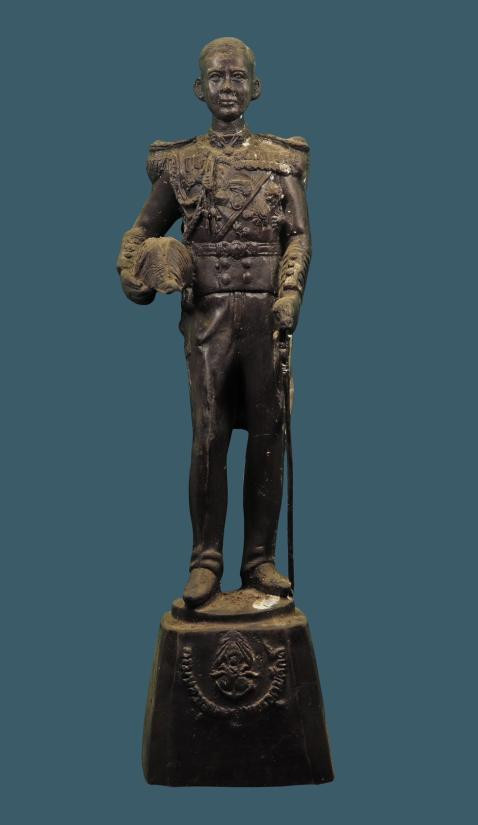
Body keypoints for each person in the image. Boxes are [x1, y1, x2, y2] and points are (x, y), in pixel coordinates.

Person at [117, 37, 311, 607]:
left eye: (238, 77)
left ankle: (260, 560)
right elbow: (141, 233)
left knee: (269, 436)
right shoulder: (180, 164)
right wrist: (137, 271)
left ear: (256, 87)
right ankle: (205, 560)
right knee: (209, 437)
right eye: (217, 78)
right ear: (200, 89)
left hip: (265, 313)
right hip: (208, 316)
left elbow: (298, 236)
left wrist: (291, 293)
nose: (228, 88)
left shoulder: (281, 160)